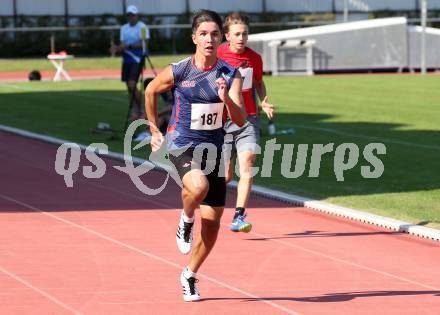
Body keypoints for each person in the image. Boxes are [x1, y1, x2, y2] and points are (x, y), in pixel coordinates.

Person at [144, 10, 246, 302]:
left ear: (221, 38)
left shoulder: (230, 73)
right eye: (203, 34)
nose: (209, 39)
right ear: (194, 38)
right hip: (182, 144)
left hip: (214, 149)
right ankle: (186, 217)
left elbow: (239, 119)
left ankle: (189, 274)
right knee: (197, 187)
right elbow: (151, 90)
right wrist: (154, 130)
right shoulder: (181, 70)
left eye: (214, 34)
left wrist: (226, 98)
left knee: (213, 226)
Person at [217, 12, 274, 233]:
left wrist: (265, 101)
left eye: (245, 34)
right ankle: (206, 196)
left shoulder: (254, 58)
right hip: (222, 120)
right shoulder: (218, 54)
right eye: (237, 34)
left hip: (248, 118)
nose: (242, 38)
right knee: (226, 175)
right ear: (227, 36)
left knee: (248, 162)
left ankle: (239, 215)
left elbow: (259, 82)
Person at [110, 4, 150, 121]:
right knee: (128, 86)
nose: (131, 17)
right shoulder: (124, 28)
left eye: (133, 15)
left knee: (132, 84)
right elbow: (123, 45)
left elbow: (144, 43)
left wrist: (129, 45)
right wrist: (116, 48)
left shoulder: (142, 27)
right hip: (126, 59)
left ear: (136, 15)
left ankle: (142, 110)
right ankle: (135, 111)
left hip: (137, 59)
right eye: (129, 15)